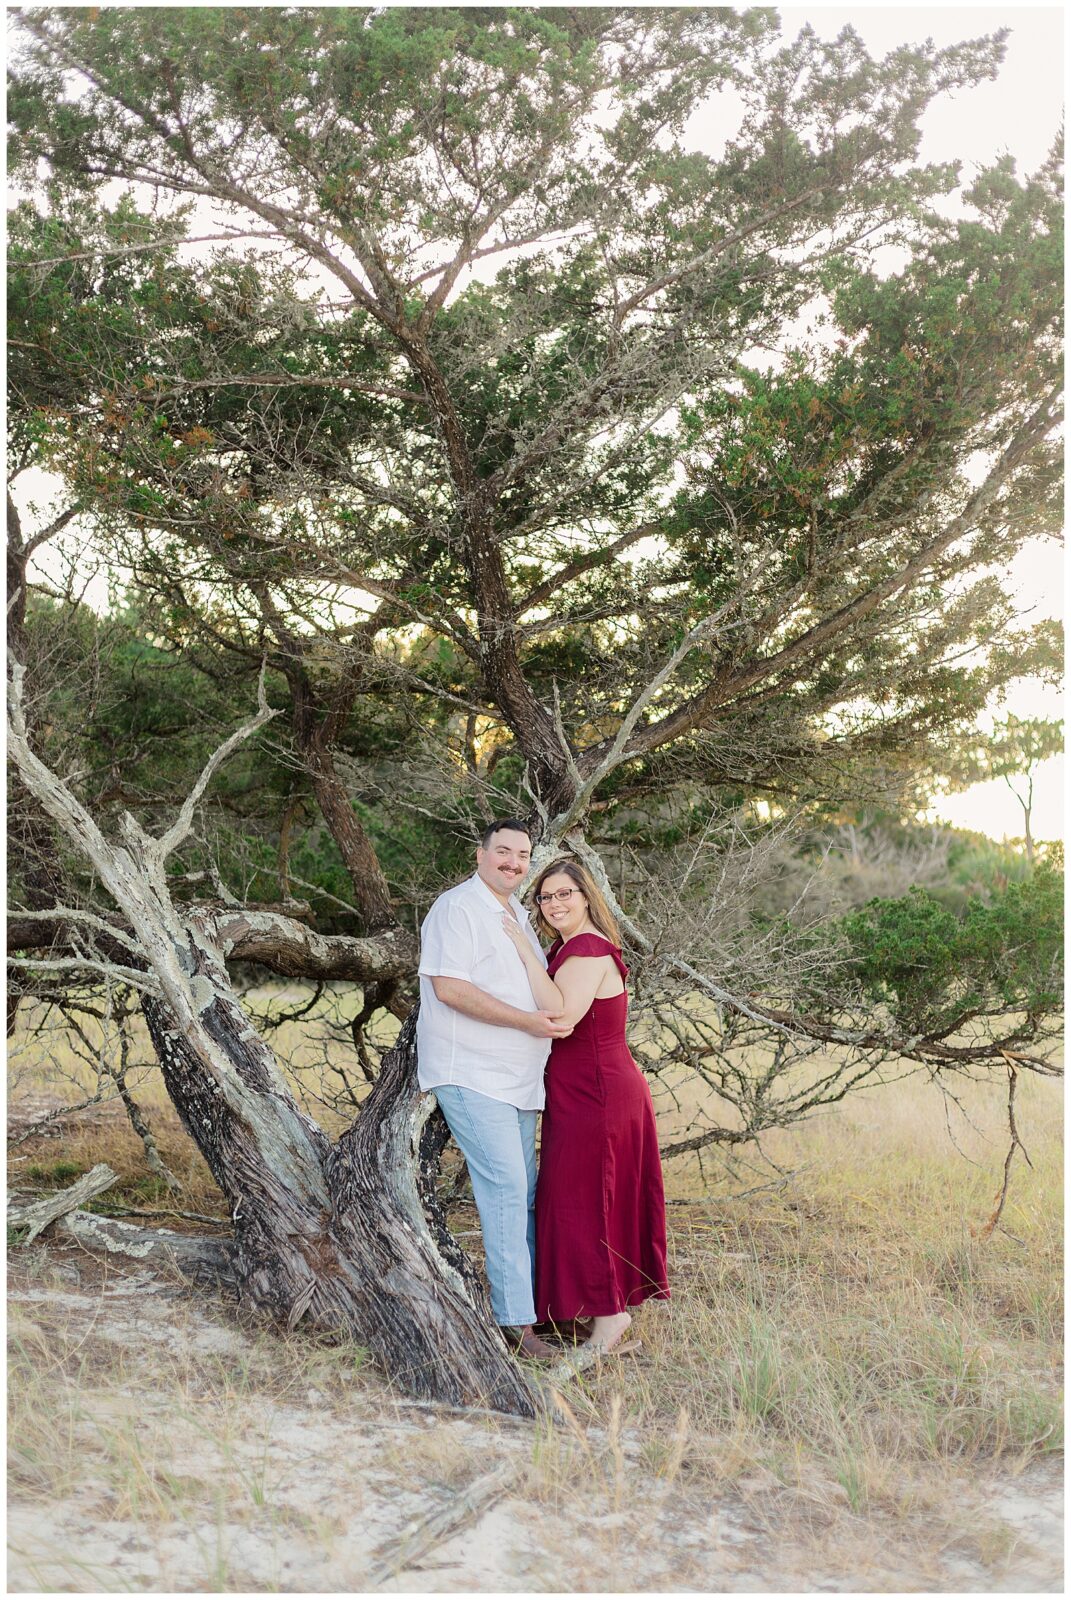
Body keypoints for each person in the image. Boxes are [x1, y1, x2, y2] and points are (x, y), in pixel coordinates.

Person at [416, 819, 572, 1361]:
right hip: (472, 1072)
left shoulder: (519, 917)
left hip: (520, 1081)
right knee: (506, 1189)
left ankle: (535, 1310)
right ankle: (516, 1328)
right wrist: (525, 1024)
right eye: (502, 851)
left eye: (522, 855)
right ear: (479, 854)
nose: (513, 862)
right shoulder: (457, 908)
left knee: (525, 1196)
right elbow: (450, 989)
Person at [501, 857, 669, 1352]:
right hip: (580, 1092)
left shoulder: (590, 950)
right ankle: (595, 1314)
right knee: (578, 1198)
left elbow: (562, 1016)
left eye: (564, 894)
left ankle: (612, 1319)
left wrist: (521, 949)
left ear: (586, 895)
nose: (554, 903)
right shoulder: (569, 947)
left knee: (584, 1201)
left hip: (599, 1093)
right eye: (545, 897)